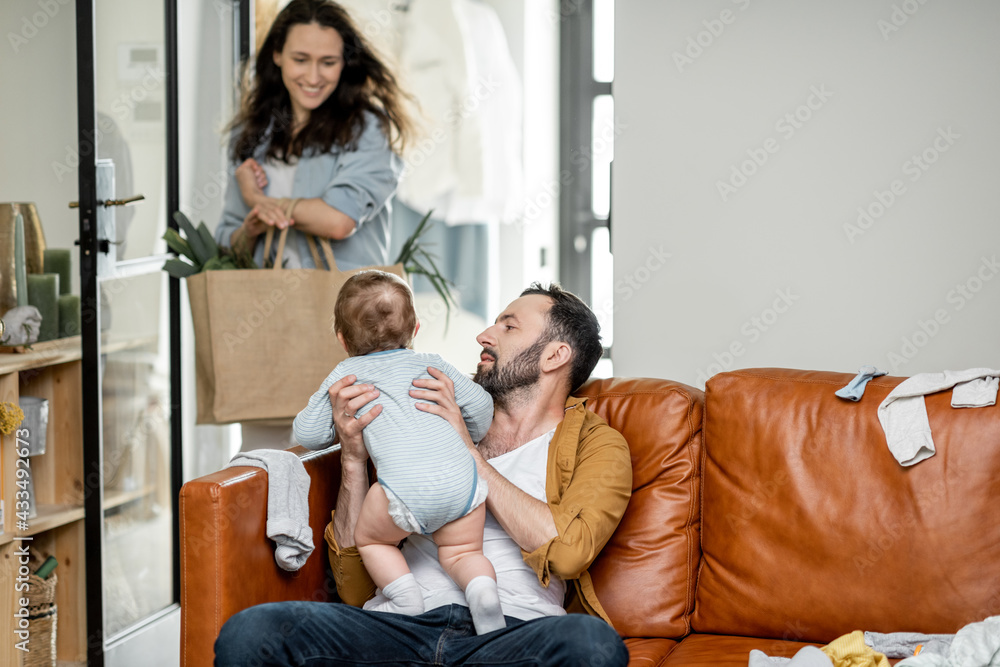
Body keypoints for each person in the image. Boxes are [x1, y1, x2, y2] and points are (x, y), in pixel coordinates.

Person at [215, 283, 633, 666]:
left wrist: (469, 452)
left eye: (508, 325)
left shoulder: (596, 444)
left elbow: (568, 552)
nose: (484, 335)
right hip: (399, 629)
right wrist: (353, 458)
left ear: (555, 355)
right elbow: (353, 586)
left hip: (507, 635)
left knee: (592, 644)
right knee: (252, 632)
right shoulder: (419, 406)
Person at [213, 0, 413, 450]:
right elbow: (229, 242)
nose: (314, 75)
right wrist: (253, 219)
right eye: (301, 59)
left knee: (345, 462)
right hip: (269, 323)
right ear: (278, 56)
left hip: (356, 330)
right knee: (263, 463)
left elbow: (339, 220)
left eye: (328, 62)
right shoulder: (254, 133)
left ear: (346, 63)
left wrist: (263, 199)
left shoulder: (365, 128)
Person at [292, 270, 505, 634]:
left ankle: (405, 598)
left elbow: (307, 434)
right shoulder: (433, 364)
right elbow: (484, 408)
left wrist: (336, 417)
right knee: (464, 553)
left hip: (403, 493)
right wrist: (465, 429)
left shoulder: (345, 375)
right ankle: (483, 593)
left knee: (371, 539)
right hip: (462, 485)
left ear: (342, 339)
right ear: (416, 329)